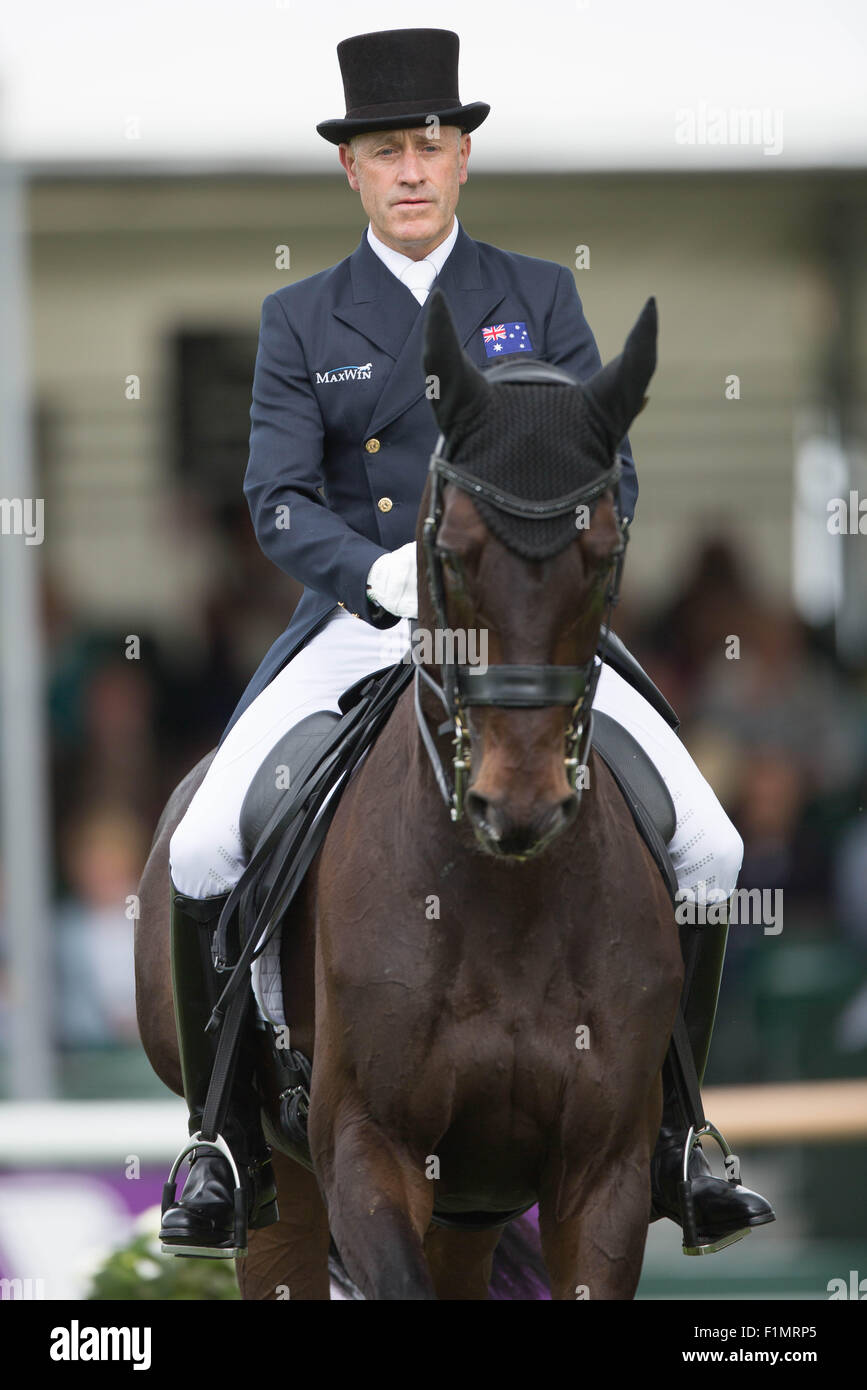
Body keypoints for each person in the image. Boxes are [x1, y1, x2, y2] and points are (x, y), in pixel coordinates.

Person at [160, 27, 773, 1258]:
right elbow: (277, 497)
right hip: (364, 621)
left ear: (464, 154)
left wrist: (560, 560)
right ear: (352, 171)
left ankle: (680, 1133)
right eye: (384, 149)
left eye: (430, 143)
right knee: (209, 838)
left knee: (711, 839)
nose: (410, 167)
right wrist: (369, 570)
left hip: (525, 628)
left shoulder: (535, 295)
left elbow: (616, 464)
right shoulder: (300, 316)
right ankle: (223, 1136)